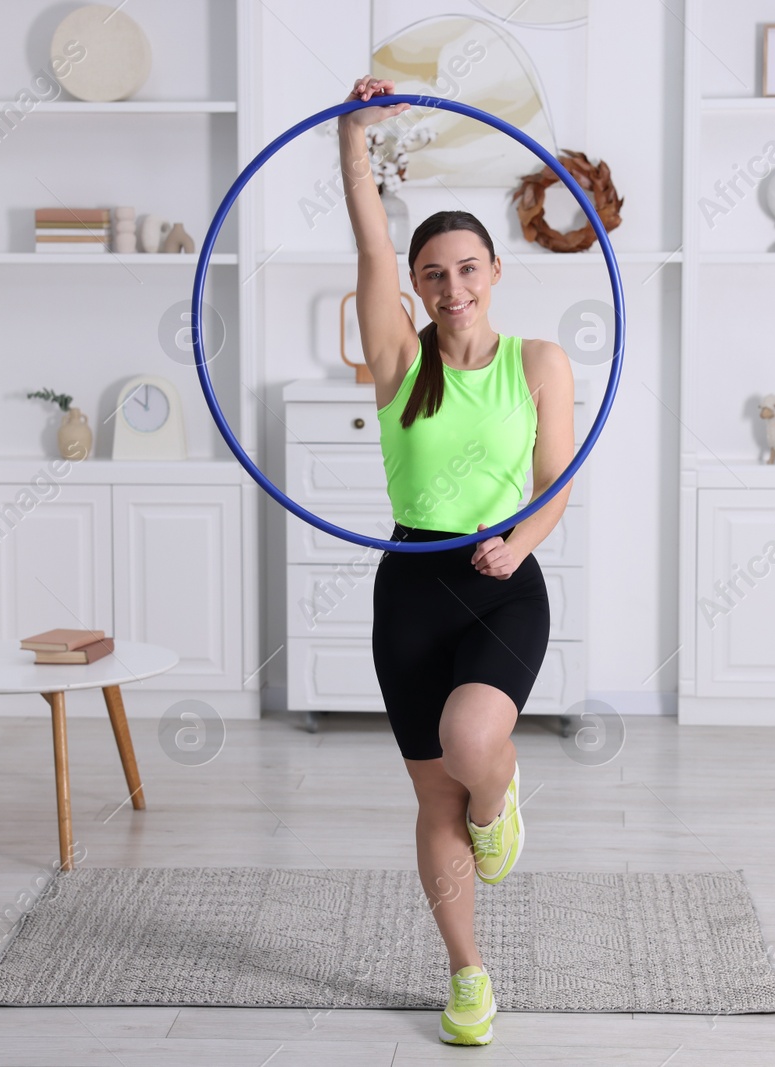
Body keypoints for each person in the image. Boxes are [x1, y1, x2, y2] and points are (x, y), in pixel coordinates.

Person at [338, 76, 576, 1046]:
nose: (452, 287)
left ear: (494, 271)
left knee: (474, 741)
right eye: (434, 274)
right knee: (432, 791)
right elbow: (368, 241)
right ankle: (467, 973)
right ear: (421, 286)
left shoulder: (539, 362)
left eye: (467, 268)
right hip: (409, 584)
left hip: (502, 579)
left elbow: (556, 479)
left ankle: (500, 794)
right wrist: (353, 135)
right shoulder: (399, 358)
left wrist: (518, 539)